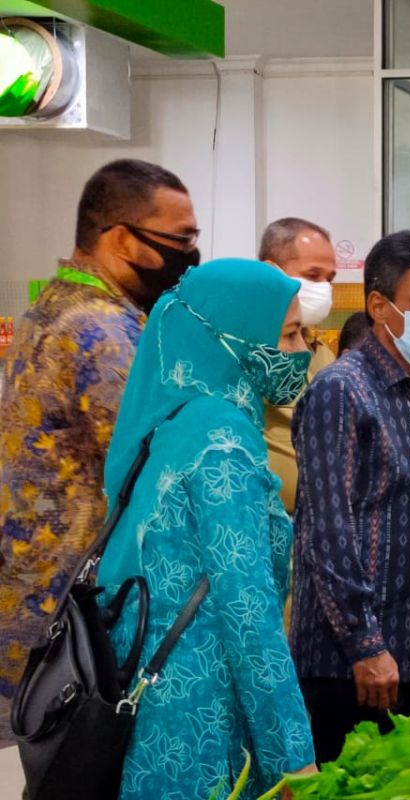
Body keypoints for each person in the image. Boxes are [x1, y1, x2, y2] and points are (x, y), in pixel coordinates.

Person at [95, 259, 315, 798]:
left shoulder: (175, 419)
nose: (301, 348)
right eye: (288, 333)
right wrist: (294, 761)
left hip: (145, 688)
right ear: (233, 338)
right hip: (198, 713)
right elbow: (249, 613)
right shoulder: (224, 444)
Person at [0, 159, 197, 740]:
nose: (191, 251)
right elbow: (159, 466)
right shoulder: (103, 332)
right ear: (119, 239)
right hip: (81, 620)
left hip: (32, 601)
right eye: (180, 238)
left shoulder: (48, 308)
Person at [290, 230, 410, 764]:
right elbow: (327, 529)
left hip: (409, 649)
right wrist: (365, 645)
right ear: (379, 306)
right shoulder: (342, 390)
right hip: (353, 663)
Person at [258, 217, 338, 514]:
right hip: (263, 525)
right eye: (313, 275)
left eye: (329, 279)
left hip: (318, 529)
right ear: (271, 271)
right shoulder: (248, 348)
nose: (324, 289)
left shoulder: (322, 352)